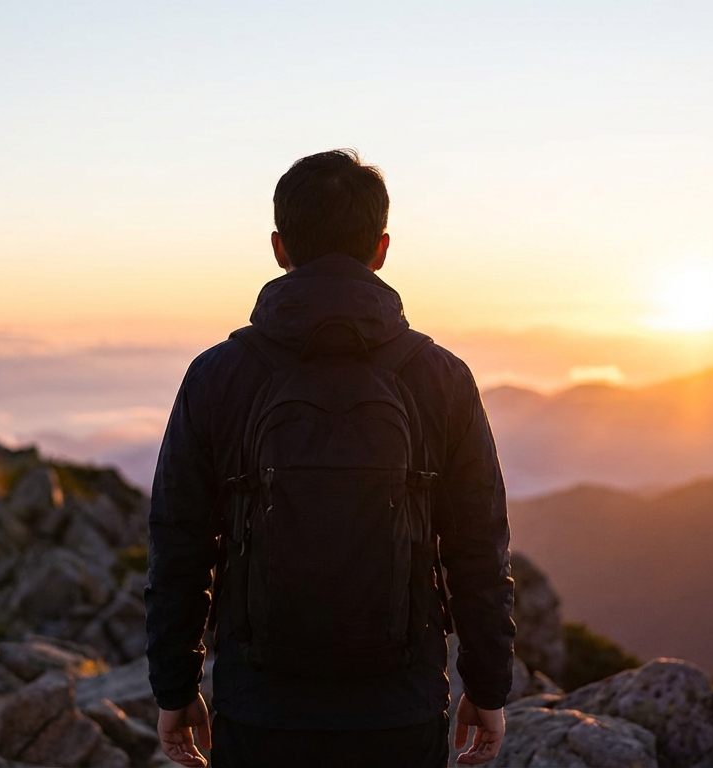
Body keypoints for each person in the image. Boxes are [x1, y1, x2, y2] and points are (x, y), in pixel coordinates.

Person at [145, 149, 514, 768]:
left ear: (279, 246)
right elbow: (477, 548)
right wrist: (488, 688)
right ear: (382, 248)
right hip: (399, 709)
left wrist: (175, 691)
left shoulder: (218, 377)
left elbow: (179, 545)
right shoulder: (439, 378)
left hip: (261, 708)